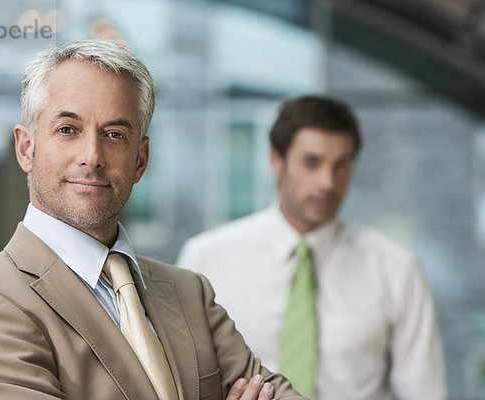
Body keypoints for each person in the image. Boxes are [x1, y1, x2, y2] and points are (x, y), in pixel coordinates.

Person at [0, 40, 306, 400]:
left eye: (114, 134)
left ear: (140, 160)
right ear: (26, 148)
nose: (91, 156)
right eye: (67, 130)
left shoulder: (191, 293)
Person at [177, 96, 447, 400]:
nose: (327, 183)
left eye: (341, 165)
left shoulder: (396, 268)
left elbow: (425, 391)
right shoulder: (206, 259)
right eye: (311, 162)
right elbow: (183, 384)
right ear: (276, 161)